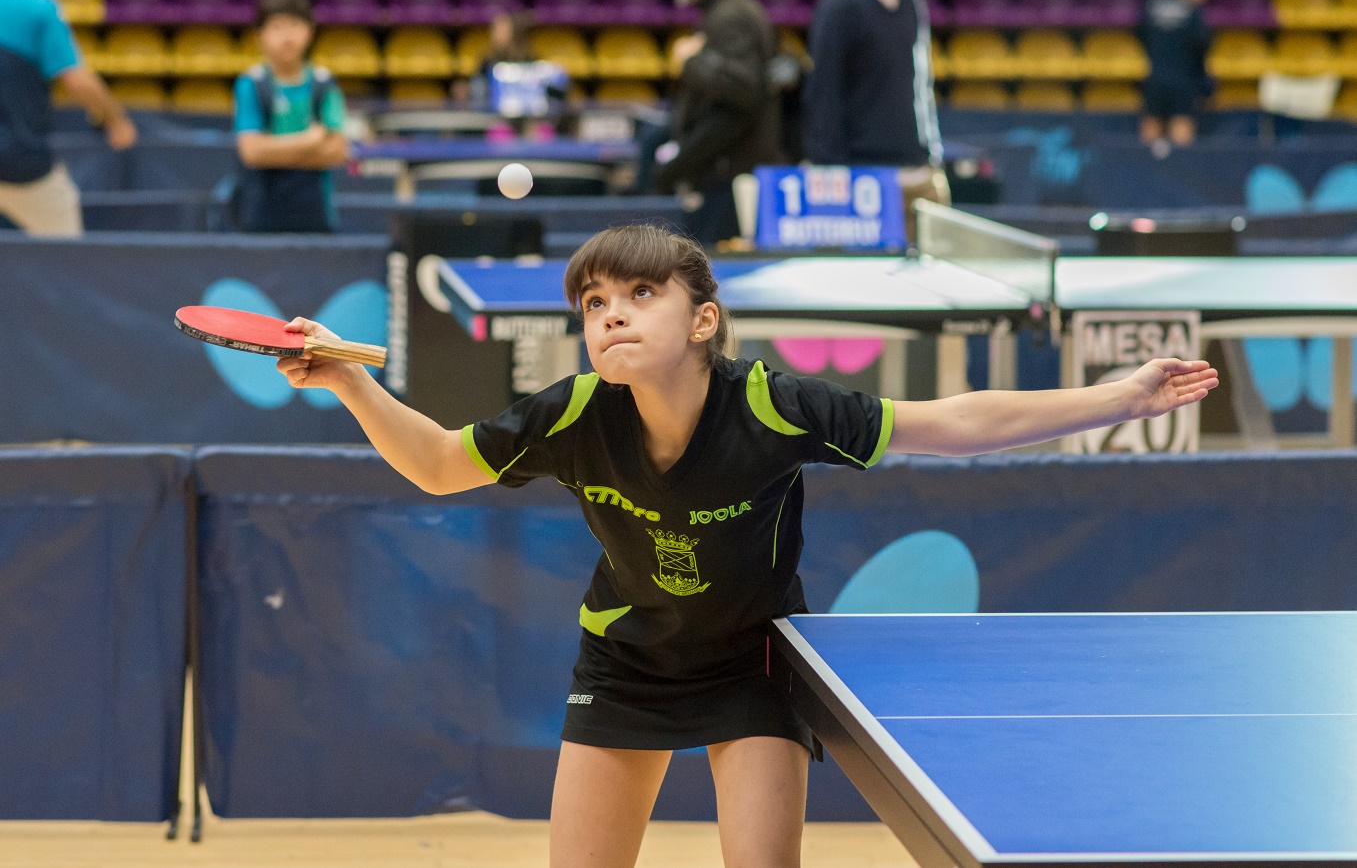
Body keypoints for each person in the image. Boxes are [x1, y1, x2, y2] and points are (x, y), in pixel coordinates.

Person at [274, 223, 1218, 868]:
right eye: (594, 302)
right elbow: (440, 464)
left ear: (703, 320)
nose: (610, 313)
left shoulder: (771, 405)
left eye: (640, 293)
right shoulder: (572, 414)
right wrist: (350, 383)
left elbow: (953, 424)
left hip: (751, 663)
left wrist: (1118, 398)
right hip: (626, 663)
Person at [803, 0, 945, 244]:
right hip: (861, 178)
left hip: (915, 173)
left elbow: (921, 85)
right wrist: (832, 169)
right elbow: (823, 91)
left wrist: (932, 157)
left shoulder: (912, 1)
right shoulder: (842, 1)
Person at [0, 0, 136, 236]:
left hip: (18, 159)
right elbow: (77, 81)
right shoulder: (38, 6)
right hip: (21, 163)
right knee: (66, 249)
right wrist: (117, 120)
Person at [653, 0, 782, 247]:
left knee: (709, 265)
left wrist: (693, 61)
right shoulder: (727, 11)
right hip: (722, 172)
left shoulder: (731, 16)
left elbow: (743, 92)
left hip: (726, 177)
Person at [232, 0, 348, 234]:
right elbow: (251, 152)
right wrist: (309, 141)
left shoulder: (325, 84)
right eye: (277, 27)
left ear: (310, 31)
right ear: (260, 35)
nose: (287, 37)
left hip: (315, 214)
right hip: (261, 215)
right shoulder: (250, 84)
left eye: (295, 25)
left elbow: (337, 151)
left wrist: (271, 151)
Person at [1138, 0, 1212, 150]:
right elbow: (1202, 46)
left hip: (1155, 79)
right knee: (1181, 135)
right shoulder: (1193, 12)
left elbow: (1141, 35)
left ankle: (1144, 167)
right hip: (1183, 81)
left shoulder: (1152, 6)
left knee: (1150, 133)